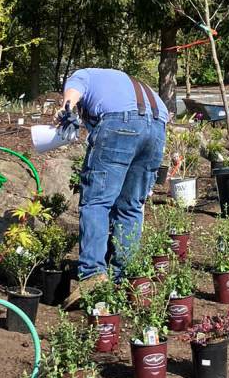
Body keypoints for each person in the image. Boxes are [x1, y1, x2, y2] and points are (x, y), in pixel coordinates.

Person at [57, 68, 168, 292]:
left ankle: (93, 274)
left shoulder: (83, 74)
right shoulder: (127, 83)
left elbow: (73, 93)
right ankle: (125, 278)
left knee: (97, 202)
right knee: (131, 206)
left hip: (120, 123)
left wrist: (66, 108)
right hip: (157, 128)